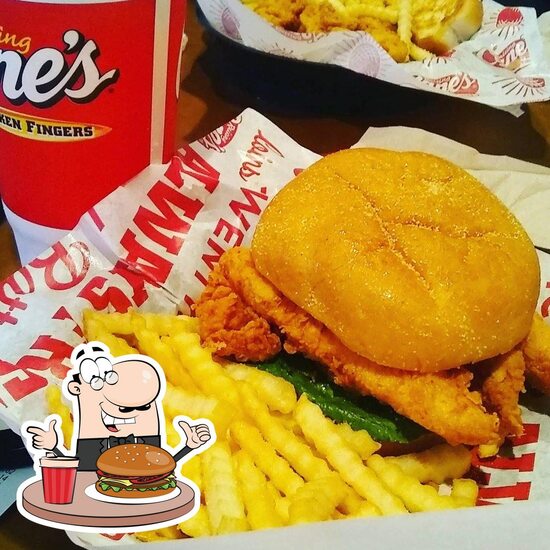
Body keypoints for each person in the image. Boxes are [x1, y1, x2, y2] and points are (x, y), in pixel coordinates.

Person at [26, 342, 213, 470]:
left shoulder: (148, 436)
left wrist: (189, 446)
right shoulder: (91, 438)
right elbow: (78, 467)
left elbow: (163, 465)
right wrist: (53, 447)